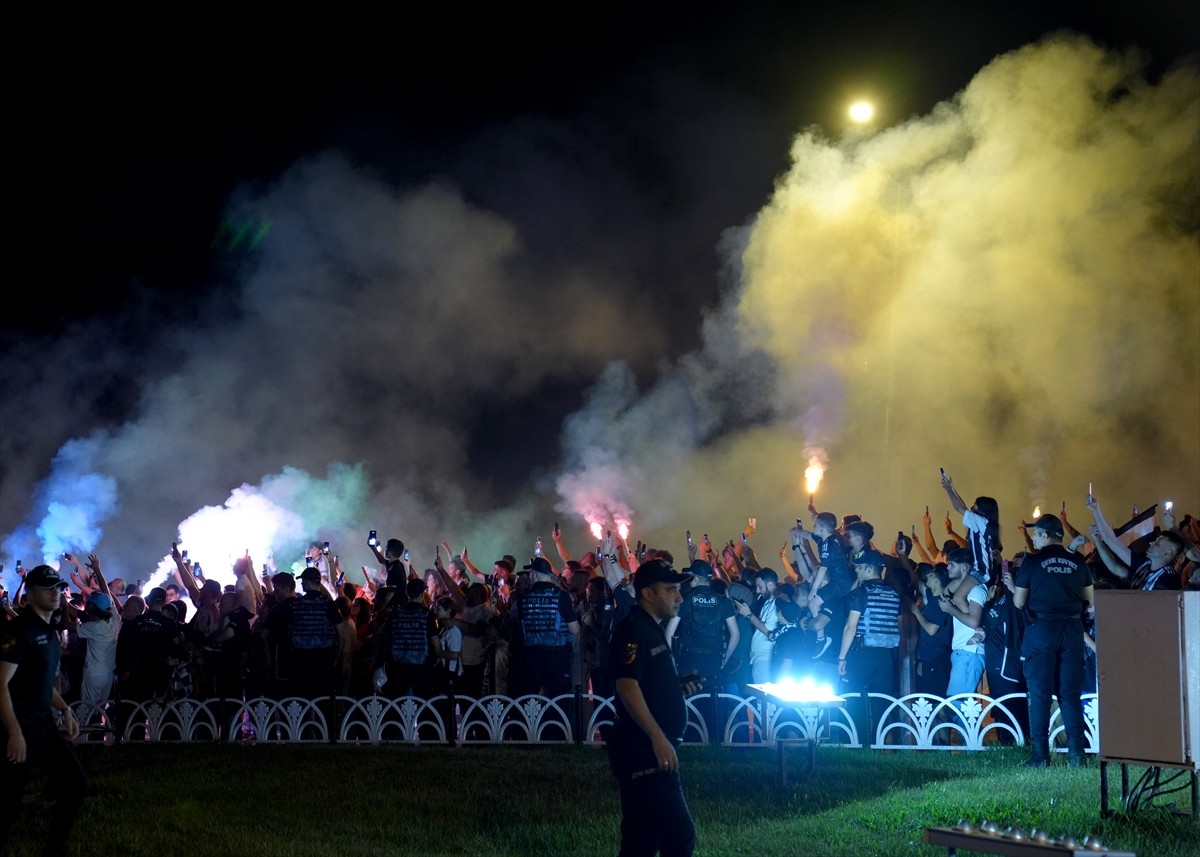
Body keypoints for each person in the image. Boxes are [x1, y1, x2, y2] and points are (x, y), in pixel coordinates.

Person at [606, 559, 699, 857]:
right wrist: (658, 738)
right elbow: (627, 686)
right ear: (647, 593)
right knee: (678, 833)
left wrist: (675, 686)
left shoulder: (650, 627)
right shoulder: (634, 629)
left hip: (646, 747)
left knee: (640, 839)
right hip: (643, 749)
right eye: (670, 589)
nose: (679, 597)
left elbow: (645, 684)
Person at [0, 566, 88, 855]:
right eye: (48, 587)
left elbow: (41, 680)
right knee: (8, 805)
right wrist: (13, 732)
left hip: (43, 724)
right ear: (30, 593)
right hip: (18, 725)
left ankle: (54, 849)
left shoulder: (48, 631)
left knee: (75, 785)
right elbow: (0, 684)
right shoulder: (20, 630)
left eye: (59, 587)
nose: (56, 592)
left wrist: (64, 709)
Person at [1014, 514, 1094, 767]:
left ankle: (1040, 756)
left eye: (1036, 534)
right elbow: (1089, 600)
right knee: (1069, 695)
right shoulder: (1078, 560)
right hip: (1071, 629)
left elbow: (1018, 601)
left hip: (1041, 629)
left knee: (1039, 694)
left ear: (1046, 535)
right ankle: (1076, 755)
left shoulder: (1033, 561)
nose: (1034, 539)